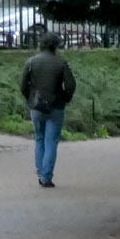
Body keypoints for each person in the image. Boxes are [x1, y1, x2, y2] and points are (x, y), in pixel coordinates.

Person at [19, 32, 76, 188]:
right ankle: (46, 176)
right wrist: (65, 98)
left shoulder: (31, 62)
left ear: (41, 44)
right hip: (56, 106)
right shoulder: (61, 63)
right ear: (56, 46)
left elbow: (23, 85)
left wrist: (30, 99)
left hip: (36, 106)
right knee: (51, 141)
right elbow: (71, 85)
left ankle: (40, 174)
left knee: (39, 139)